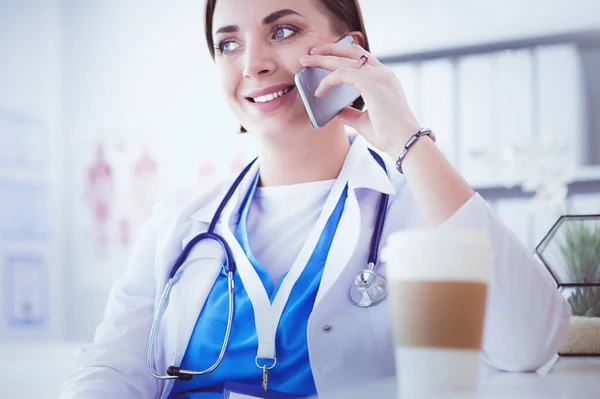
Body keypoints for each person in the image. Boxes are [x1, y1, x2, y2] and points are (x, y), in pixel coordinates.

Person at [60, 0, 571, 398]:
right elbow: (113, 367)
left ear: (351, 49)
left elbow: (528, 344)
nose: (253, 63)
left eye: (282, 31)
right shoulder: (179, 221)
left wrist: (407, 140)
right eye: (228, 44)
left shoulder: (413, 208)